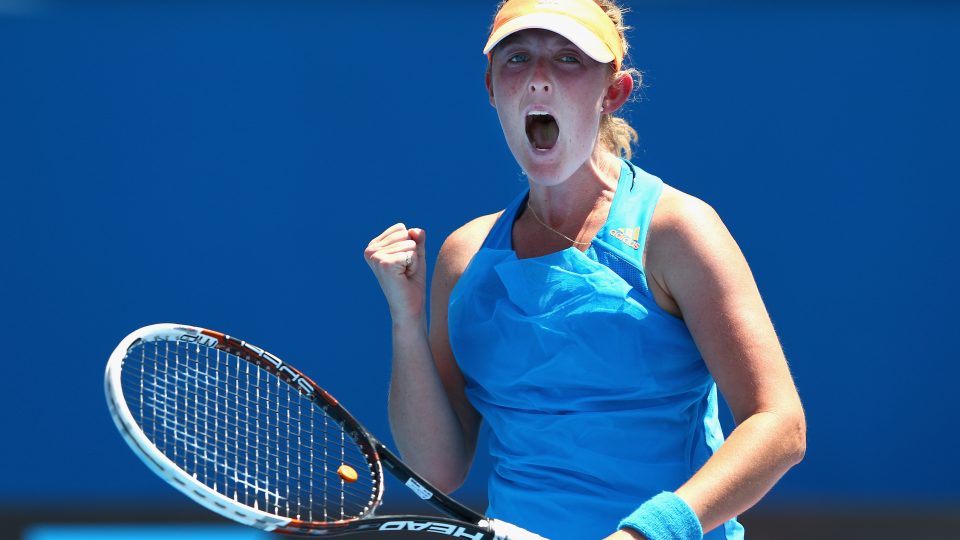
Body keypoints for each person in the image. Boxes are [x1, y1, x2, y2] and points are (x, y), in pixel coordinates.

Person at [364, 0, 806, 538]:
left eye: (569, 60)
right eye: (518, 58)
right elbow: (439, 469)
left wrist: (644, 533)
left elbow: (778, 424)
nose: (539, 81)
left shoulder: (676, 232)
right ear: (492, 88)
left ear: (612, 93)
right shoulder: (464, 258)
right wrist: (405, 320)